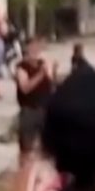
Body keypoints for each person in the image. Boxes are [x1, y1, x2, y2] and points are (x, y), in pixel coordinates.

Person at [14, 38, 57, 166]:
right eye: (32, 48)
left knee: (47, 148)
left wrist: (52, 72)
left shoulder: (43, 64)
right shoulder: (21, 68)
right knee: (26, 148)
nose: (36, 51)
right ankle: (23, 172)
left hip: (46, 109)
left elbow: (51, 84)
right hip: (29, 109)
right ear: (26, 50)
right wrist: (40, 74)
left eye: (38, 48)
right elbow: (25, 88)